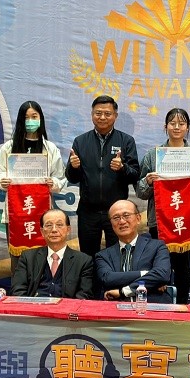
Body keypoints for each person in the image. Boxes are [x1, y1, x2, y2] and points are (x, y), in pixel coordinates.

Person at [137, 108, 190, 304]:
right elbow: (140, 192)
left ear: (187, 128)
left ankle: (182, 307)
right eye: (172, 123)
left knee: (183, 269)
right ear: (165, 127)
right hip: (160, 221)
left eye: (181, 124)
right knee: (159, 268)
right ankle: (158, 306)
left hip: (186, 221)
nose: (176, 127)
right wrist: (147, 182)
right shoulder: (153, 155)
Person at [0, 101, 67, 274]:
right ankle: (18, 288)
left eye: (34, 116)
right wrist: (2, 181)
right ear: (21, 120)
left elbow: (60, 178)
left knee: (43, 256)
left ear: (40, 119)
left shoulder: (50, 148)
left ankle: (42, 287)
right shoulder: (9, 147)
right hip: (16, 211)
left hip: (42, 210)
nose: (30, 121)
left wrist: (53, 183)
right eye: (26, 117)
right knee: (17, 259)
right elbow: (0, 173)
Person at [66, 95, 140, 258]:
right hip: (88, 212)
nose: (102, 117)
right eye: (98, 113)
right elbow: (72, 178)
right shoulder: (80, 141)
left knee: (117, 256)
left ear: (115, 116)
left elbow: (135, 175)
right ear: (92, 114)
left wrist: (122, 168)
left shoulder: (126, 141)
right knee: (87, 257)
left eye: (107, 113)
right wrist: (74, 167)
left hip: (117, 212)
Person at [95, 200, 172, 303]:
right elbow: (108, 279)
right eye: (116, 218)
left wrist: (124, 291)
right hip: (115, 307)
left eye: (126, 215)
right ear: (111, 223)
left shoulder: (157, 246)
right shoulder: (103, 255)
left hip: (153, 304)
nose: (122, 221)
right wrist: (147, 274)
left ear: (138, 218)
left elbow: (162, 275)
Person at [11, 209, 93, 299]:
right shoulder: (28, 258)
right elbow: (18, 291)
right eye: (49, 225)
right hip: (34, 306)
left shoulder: (83, 261)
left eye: (59, 225)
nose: (54, 230)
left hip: (67, 307)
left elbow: (84, 295)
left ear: (68, 229)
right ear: (42, 231)